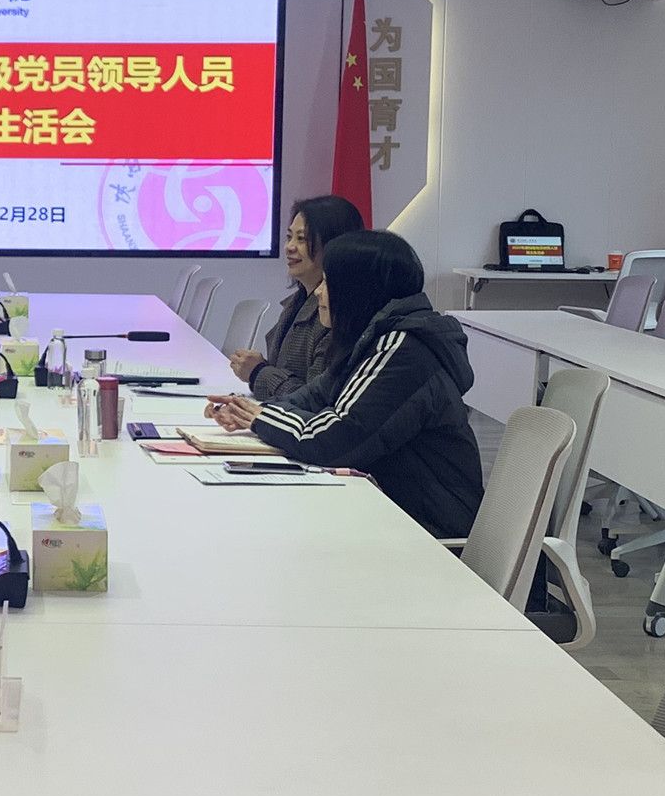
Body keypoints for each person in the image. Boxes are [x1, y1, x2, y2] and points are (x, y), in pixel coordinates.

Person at [206, 229, 485, 538]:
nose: (318, 292)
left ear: (357, 289)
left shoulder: (404, 349)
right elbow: (312, 397)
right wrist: (247, 409)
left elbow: (333, 440)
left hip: (426, 532)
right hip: (383, 512)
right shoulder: (371, 337)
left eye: (327, 282)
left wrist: (261, 417)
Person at [226, 194, 366, 398]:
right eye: (289, 237)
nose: (289, 247)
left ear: (334, 245)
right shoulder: (297, 301)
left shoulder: (337, 313)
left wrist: (258, 373)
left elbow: (315, 399)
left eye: (302, 239)